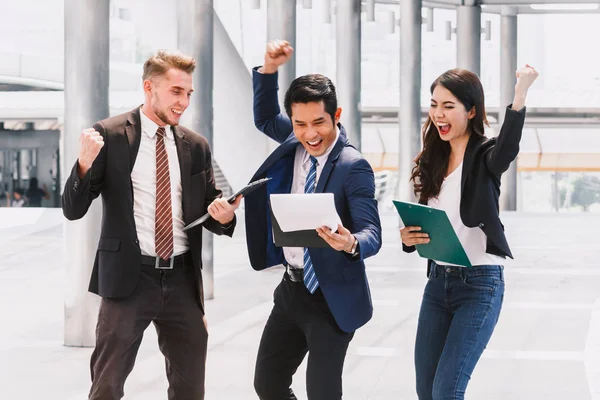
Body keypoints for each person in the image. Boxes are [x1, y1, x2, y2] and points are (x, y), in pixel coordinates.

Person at [62, 50, 242, 400]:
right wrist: (83, 165)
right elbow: (73, 209)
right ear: (150, 88)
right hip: (129, 279)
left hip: (182, 280)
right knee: (107, 386)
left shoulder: (196, 145)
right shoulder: (111, 136)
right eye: (176, 91)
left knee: (190, 386)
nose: (184, 101)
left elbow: (210, 206)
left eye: (188, 93)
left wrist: (226, 215)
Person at [244, 40, 382, 400]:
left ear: (336, 116)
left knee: (322, 393)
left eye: (319, 122)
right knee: (268, 384)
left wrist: (351, 242)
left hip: (330, 297)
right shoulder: (295, 140)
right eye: (300, 124)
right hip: (291, 292)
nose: (310, 134)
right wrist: (269, 71)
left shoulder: (354, 166)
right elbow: (262, 118)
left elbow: (373, 233)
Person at [400, 65, 539, 399]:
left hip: (479, 285)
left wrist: (520, 95)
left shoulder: (485, 155)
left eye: (448, 106)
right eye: (434, 105)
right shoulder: (432, 158)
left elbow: (507, 149)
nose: (438, 114)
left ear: (471, 110)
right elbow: (430, 221)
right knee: (426, 392)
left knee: (446, 390)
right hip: (437, 283)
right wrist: (408, 238)